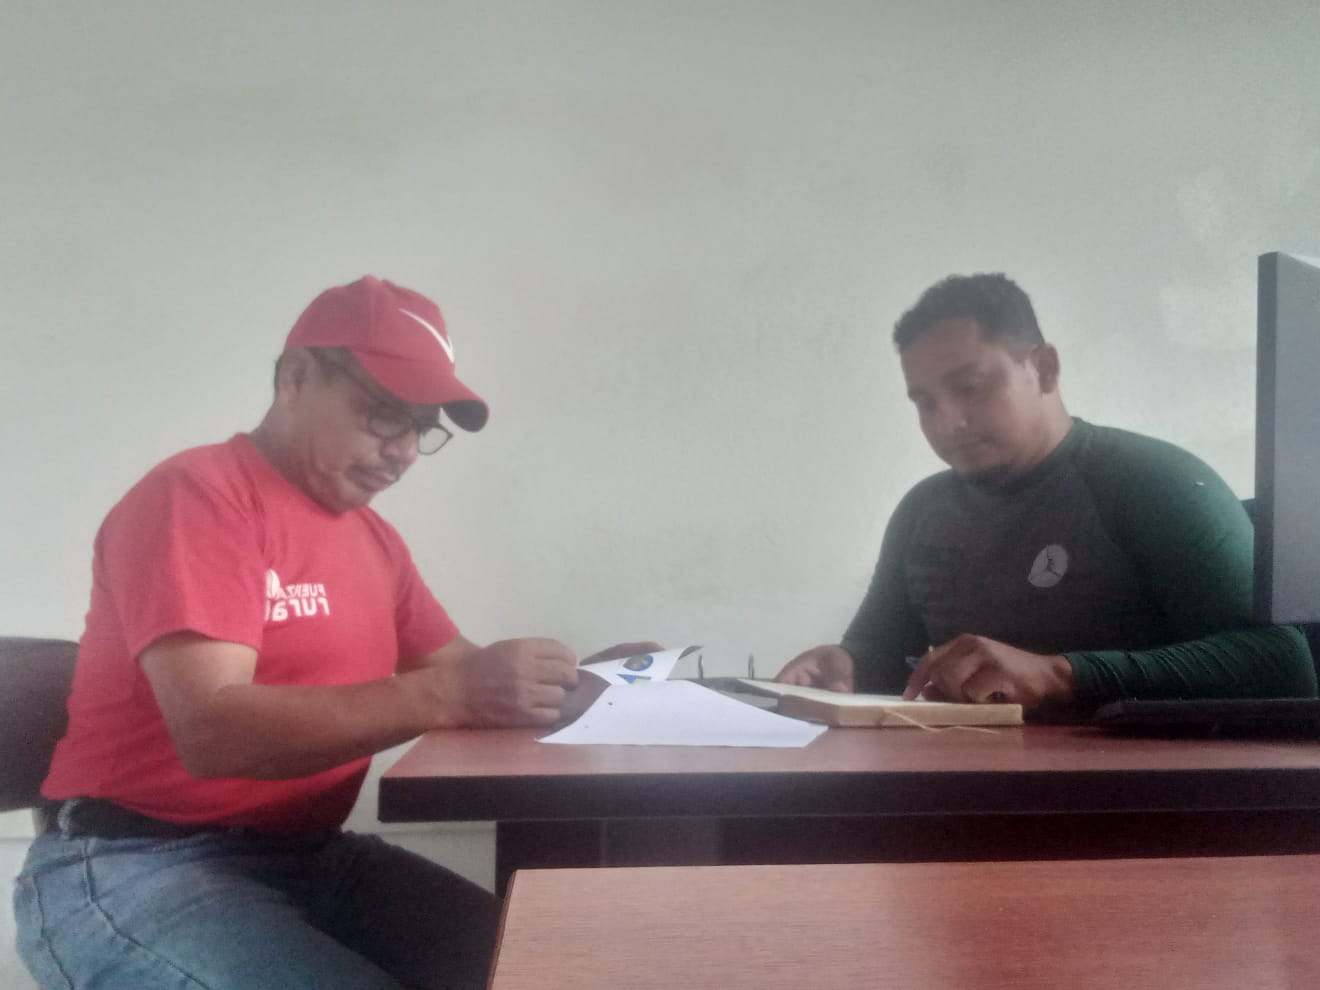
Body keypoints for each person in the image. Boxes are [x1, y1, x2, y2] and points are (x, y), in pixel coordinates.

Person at [14, 275, 658, 990]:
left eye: (421, 428)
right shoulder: (198, 497)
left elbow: (461, 672)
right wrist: (453, 693)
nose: (403, 451)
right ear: (296, 377)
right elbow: (214, 731)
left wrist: (585, 681)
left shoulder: (373, 540)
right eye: (383, 415)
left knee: (547, 970)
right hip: (134, 865)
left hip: (309, 857)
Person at [776, 272, 1317, 709]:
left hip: (1135, 794)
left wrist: (1063, 675)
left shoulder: (1153, 483)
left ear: (1044, 368)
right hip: (961, 782)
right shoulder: (922, 510)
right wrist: (845, 665)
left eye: (970, 387)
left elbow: (1283, 664)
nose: (947, 422)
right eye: (925, 402)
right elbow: (884, 652)